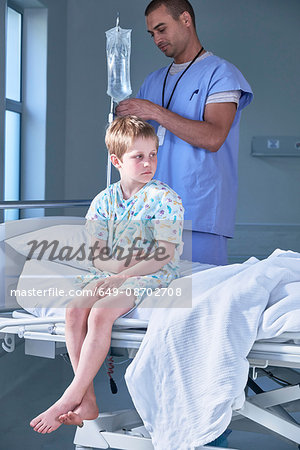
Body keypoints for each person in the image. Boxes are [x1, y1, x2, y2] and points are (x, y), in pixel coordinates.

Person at [30, 116, 184, 434]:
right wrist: (113, 273)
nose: (148, 162)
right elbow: (97, 254)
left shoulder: (165, 199)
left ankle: (70, 394)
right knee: (74, 310)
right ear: (116, 160)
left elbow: (164, 255)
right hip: (112, 271)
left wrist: (123, 276)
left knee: (101, 314)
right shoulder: (104, 202)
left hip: (152, 272)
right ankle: (87, 400)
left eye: (152, 154)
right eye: (138, 156)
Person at [116, 0, 253, 265]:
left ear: (186, 20)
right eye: (152, 33)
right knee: (152, 302)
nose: (157, 39)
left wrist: (155, 112)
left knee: (199, 300)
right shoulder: (154, 80)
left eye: (162, 29)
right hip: (150, 214)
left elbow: (213, 138)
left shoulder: (220, 74)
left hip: (198, 212)